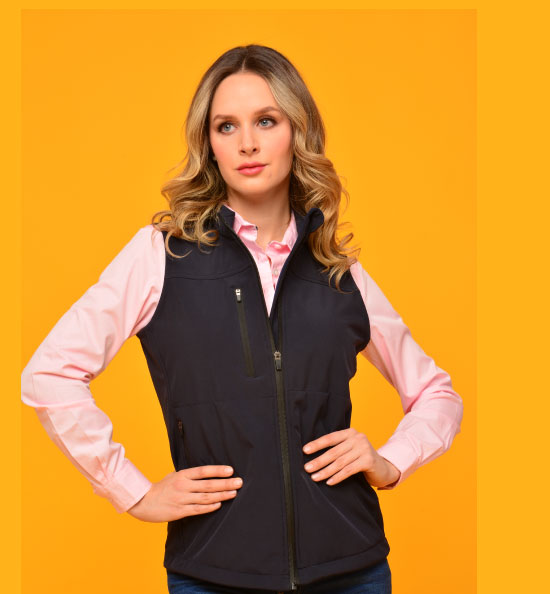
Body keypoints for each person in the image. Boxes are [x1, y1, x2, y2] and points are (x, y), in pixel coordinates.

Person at [21, 44, 463, 594]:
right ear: (208, 144)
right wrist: (131, 491)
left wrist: (390, 461)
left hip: (352, 570)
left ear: (297, 131)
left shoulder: (337, 271)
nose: (247, 143)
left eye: (266, 121)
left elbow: (437, 394)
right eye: (226, 126)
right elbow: (50, 374)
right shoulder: (161, 255)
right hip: (213, 573)